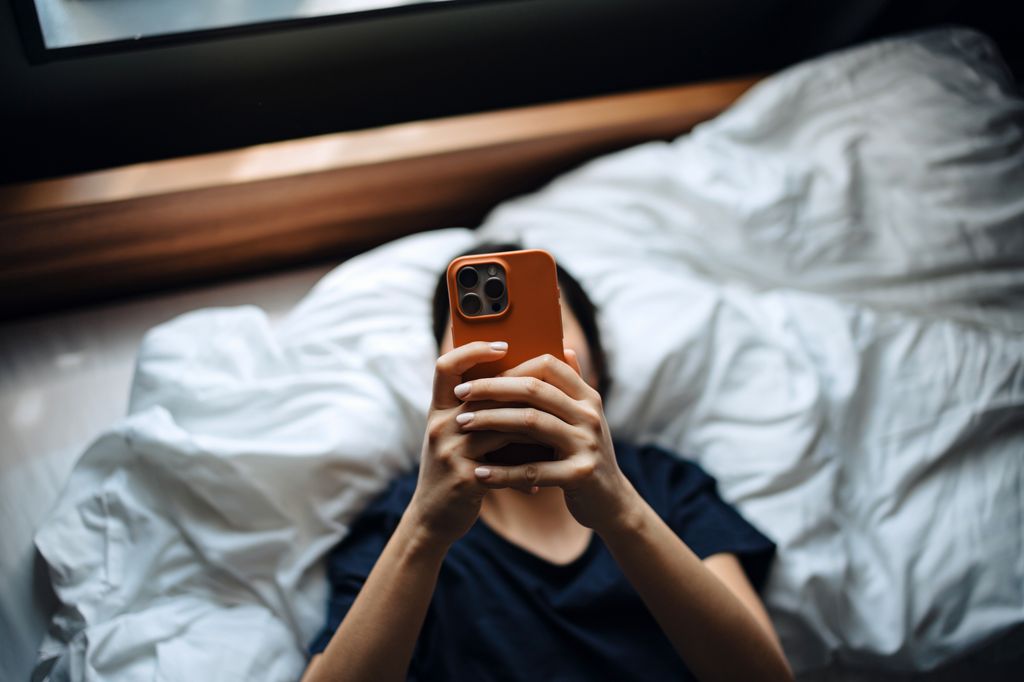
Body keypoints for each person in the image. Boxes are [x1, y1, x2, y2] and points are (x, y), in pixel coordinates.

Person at [303, 243, 793, 682]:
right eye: (471, 327)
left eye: (544, 322)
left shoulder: (664, 484)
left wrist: (621, 512)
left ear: (595, 362)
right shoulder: (400, 525)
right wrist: (424, 531)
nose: (511, 358)